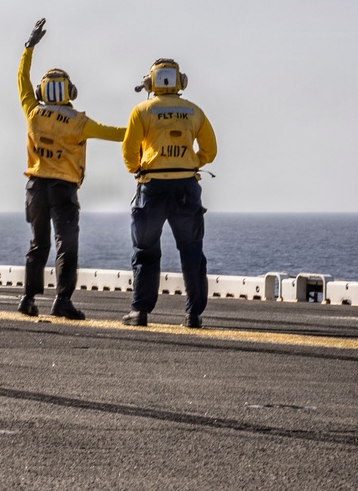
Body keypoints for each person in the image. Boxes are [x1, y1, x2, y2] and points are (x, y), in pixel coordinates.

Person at [17, 17, 125, 320]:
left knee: (38, 244)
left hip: (35, 186)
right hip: (63, 188)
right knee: (67, 244)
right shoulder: (79, 122)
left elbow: (22, 80)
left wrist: (29, 47)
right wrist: (146, 126)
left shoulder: (32, 112)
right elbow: (117, 133)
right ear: (70, 91)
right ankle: (62, 300)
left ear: (42, 91)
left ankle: (28, 298)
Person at [121, 58, 217, 329]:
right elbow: (210, 150)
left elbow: (129, 153)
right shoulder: (194, 111)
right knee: (192, 251)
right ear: (181, 81)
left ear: (149, 83)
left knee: (145, 250)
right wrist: (191, 162)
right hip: (186, 186)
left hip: (151, 188)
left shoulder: (142, 110)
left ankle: (139, 312)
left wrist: (138, 169)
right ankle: (193, 315)